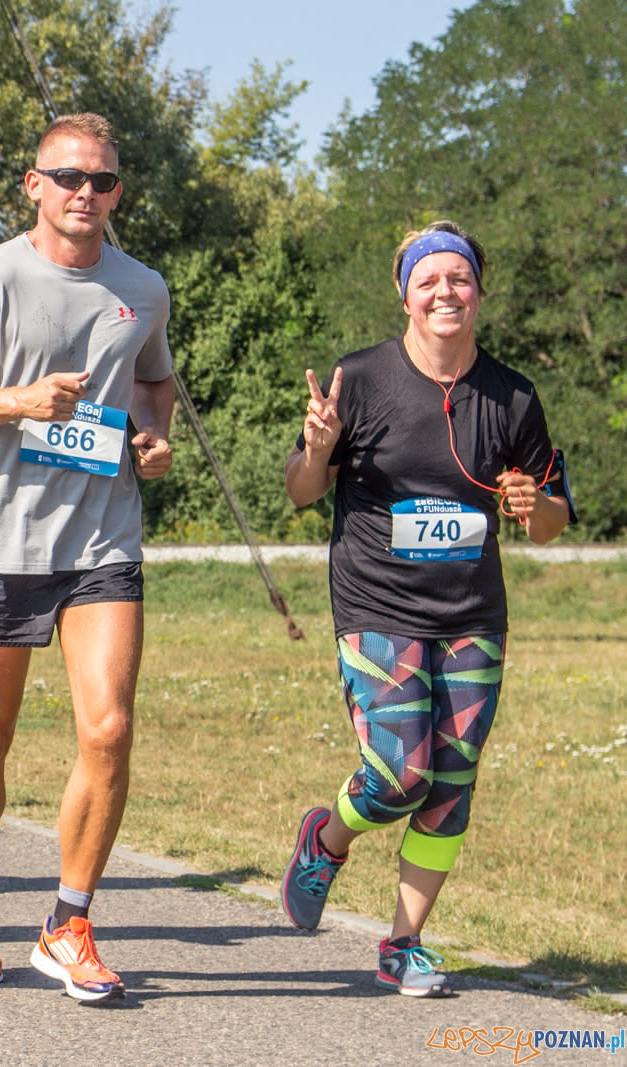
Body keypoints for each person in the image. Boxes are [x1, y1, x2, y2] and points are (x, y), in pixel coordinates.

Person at [0, 113, 174, 1002]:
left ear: (117, 193)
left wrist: (154, 435)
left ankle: (68, 922)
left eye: (100, 181)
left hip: (102, 540)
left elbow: (153, 379)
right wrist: (21, 400)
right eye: (67, 178)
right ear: (34, 184)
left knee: (109, 727)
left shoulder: (143, 287)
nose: (83, 194)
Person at [280, 220, 569, 997]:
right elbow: (303, 492)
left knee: (451, 781)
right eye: (429, 279)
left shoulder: (513, 396)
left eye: (460, 277)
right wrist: (317, 447)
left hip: (473, 613)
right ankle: (327, 837)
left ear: (479, 289)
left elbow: (552, 520)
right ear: (404, 293)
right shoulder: (361, 379)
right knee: (398, 773)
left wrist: (532, 503)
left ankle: (403, 943)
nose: (446, 291)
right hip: (377, 603)